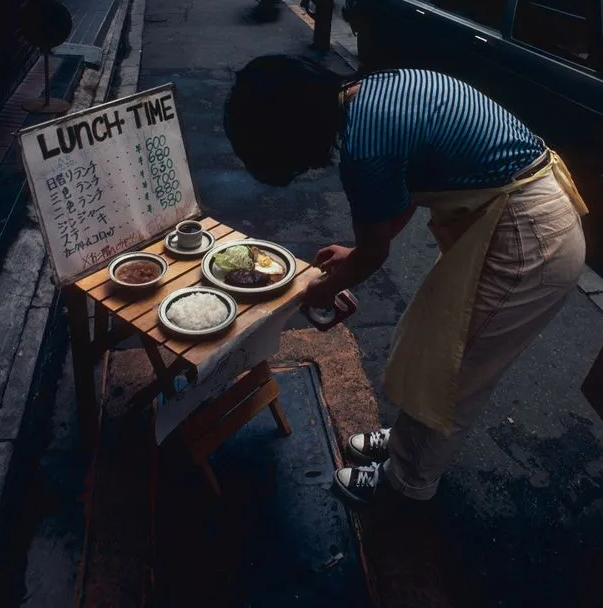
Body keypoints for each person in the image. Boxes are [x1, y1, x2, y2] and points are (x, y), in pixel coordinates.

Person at [224, 57, 587, 508]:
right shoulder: (372, 93)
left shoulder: (364, 146)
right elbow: (408, 191)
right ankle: (407, 444)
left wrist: (308, 293)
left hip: (527, 241)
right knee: (434, 344)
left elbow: (375, 253)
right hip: (522, 220)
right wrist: (354, 255)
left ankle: (408, 482)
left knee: (452, 371)